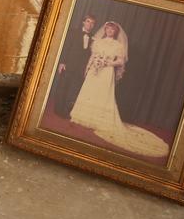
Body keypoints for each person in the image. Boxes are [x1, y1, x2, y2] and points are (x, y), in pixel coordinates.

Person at [69, 21, 169, 158]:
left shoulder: (118, 45)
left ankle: (100, 121)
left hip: (107, 72)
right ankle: (83, 116)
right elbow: (92, 56)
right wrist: (87, 67)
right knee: (89, 92)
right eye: (108, 28)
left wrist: (107, 62)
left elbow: (121, 61)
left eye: (112, 29)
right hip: (94, 71)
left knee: (103, 95)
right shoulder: (98, 41)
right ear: (105, 29)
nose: (109, 30)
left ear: (115, 31)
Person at [51, 14, 96, 118]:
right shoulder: (73, 32)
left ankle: (66, 112)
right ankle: (58, 110)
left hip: (80, 69)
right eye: (88, 21)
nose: (90, 24)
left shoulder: (93, 39)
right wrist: (62, 62)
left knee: (73, 90)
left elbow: (90, 55)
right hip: (68, 65)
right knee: (63, 87)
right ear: (83, 22)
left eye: (92, 23)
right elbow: (66, 47)